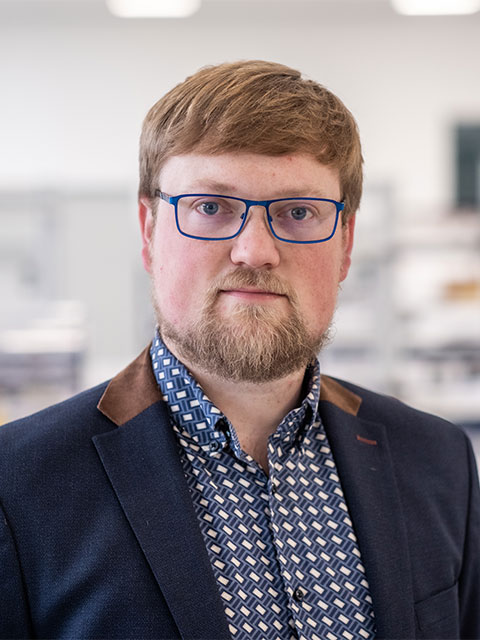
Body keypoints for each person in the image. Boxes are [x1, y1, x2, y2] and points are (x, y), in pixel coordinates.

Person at [0, 60, 478, 640]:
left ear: (346, 243)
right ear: (149, 231)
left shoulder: (439, 461)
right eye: (210, 207)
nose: (255, 251)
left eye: (298, 212)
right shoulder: (20, 485)